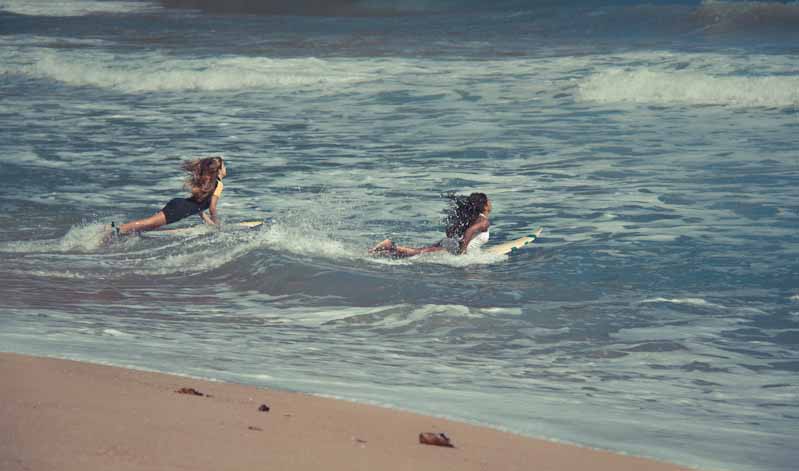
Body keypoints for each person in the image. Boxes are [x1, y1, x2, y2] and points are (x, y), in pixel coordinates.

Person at [110, 156, 227, 236]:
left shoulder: (209, 184)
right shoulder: (218, 184)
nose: (225, 169)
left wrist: (210, 224)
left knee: (150, 225)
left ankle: (122, 232)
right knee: (149, 223)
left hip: (179, 205)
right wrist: (217, 226)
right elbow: (212, 207)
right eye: (224, 166)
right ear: (219, 170)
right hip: (180, 208)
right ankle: (116, 230)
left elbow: (198, 208)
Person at [369, 192, 491, 258]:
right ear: (485, 205)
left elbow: (452, 232)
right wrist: (462, 253)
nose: (490, 203)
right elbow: (469, 232)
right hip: (453, 248)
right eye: (488, 201)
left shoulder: (472, 217)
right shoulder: (483, 221)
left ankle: (382, 252)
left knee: (419, 252)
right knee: (417, 253)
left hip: (450, 243)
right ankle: (390, 245)